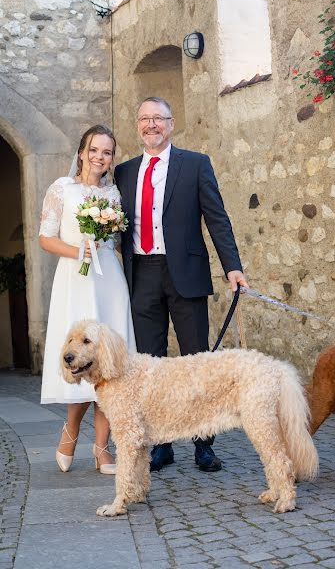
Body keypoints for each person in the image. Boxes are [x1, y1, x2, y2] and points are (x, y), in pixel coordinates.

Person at [115, 97, 248, 473]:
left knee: (196, 362)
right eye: (145, 118)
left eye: (159, 118)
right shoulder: (124, 172)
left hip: (185, 274)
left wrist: (232, 267)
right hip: (140, 275)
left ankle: (203, 444)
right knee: (149, 364)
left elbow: (217, 219)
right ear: (137, 125)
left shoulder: (195, 164)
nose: (151, 125)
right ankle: (160, 445)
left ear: (171, 124)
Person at [39, 125, 136, 474]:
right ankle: (70, 431)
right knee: (79, 357)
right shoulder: (61, 189)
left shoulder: (113, 194)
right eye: (94, 150)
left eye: (107, 152)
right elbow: (45, 239)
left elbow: (120, 243)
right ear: (81, 152)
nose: (99, 157)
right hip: (75, 280)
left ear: (112, 158)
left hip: (109, 280)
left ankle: (102, 448)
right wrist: (79, 250)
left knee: (107, 362)